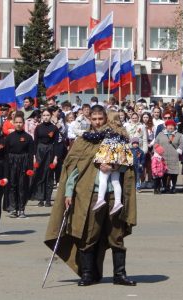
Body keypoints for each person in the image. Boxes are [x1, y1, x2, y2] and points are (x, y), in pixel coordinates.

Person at [44, 104, 137, 286]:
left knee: (115, 235)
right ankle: (88, 274)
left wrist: (114, 166)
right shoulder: (83, 141)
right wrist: (68, 193)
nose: (97, 122)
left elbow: (128, 163)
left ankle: (120, 275)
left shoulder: (116, 137)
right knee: (89, 235)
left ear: (105, 118)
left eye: (100, 119)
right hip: (90, 195)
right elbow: (72, 170)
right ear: (89, 120)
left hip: (112, 196)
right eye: (94, 119)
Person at [90, 111, 133, 215]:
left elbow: (97, 136)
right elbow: (127, 142)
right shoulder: (122, 130)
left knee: (103, 177)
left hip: (108, 155)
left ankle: (100, 198)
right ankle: (118, 202)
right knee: (115, 181)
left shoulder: (107, 129)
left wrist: (86, 135)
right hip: (119, 158)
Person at [4, 112, 34, 218]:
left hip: (24, 162)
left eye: (20, 122)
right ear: (13, 123)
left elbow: (31, 154)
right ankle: (13, 209)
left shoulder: (28, 137)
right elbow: (6, 154)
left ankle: (21, 209)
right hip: (12, 162)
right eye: (16, 122)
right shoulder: (9, 137)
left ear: (23, 123)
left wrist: (30, 168)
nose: (18, 124)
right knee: (12, 186)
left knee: (22, 186)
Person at [31, 109, 59, 207]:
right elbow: (35, 142)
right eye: (44, 115)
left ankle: (48, 199)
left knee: (49, 175)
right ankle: (40, 198)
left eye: (48, 115)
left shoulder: (54, 128)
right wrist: (34, 155)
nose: (46, 117)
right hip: (40, 151)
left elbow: (56, 143)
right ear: (42, 116)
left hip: (50, 151)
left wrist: (55, 157)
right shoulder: (38, 128)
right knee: (40, 174)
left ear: (51, 116)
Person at [154, 119, 183, 194]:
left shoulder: (179, 135)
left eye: (172, 126)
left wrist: (179, 150)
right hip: (162, 157)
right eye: (169, 126)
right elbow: (156, 143)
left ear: (174, 126)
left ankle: (173, 187)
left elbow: (182, 144)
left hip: (173, 156)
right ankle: (165, 187)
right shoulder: (161, 134)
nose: (170, 127)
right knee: (164, 172)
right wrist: (158, 151)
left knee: (173, 172)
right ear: (166, 126)